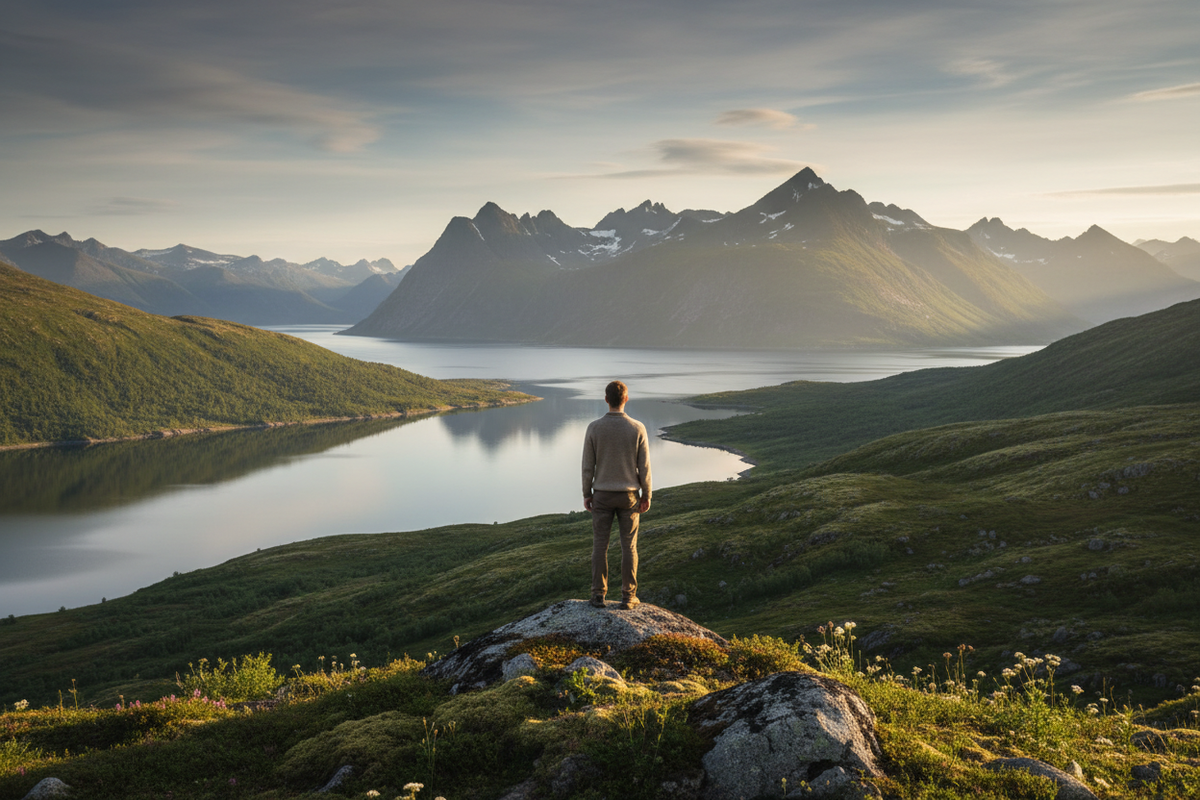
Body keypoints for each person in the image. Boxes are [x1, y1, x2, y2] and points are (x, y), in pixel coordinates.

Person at [582, 380, 652, 610]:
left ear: (606, 399)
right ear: (626, 399)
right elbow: (645, 467)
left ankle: (597, 595)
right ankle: (628, 596)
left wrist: (586, 493)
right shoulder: (637, 428)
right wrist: (646, 494)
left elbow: (587, 466)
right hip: (629, 496)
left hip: (601, 494)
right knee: (629, 547)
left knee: (600, 546)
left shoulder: (594, 428)